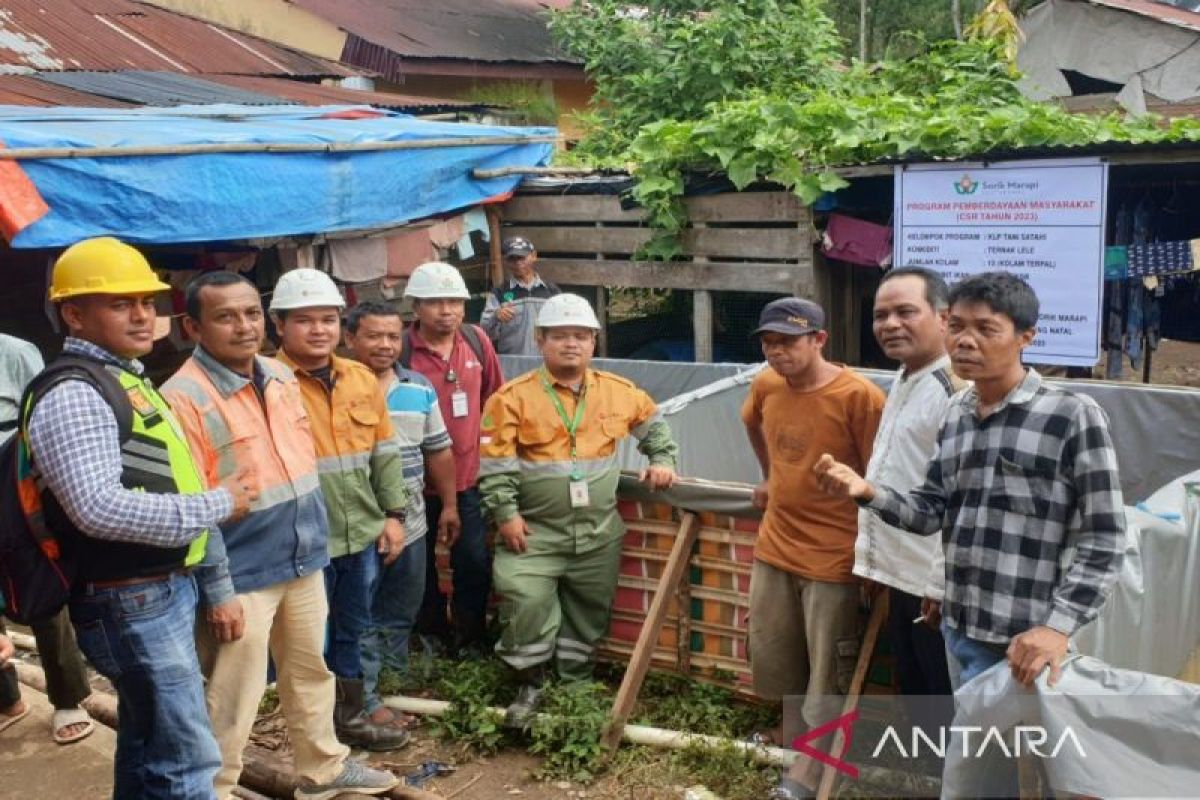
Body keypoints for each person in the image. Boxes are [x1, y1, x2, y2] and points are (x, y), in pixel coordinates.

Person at [25, 237, 258, 799]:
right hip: (129, 598)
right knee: (186, 759)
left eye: (146, 302)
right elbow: (96, 507)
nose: (141, 315)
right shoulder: (75, 392)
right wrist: (217, 504)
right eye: (118, 303)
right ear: (74, 314)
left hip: (152, 591)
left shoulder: (123, 377)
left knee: (147, 744)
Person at [815, 271, 1125, 692]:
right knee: (970, 751)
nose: (965, 340)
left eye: (985, 329)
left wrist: (1057, 628)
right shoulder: (958, 412)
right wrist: (867, 493)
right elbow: (932, 512)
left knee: (1023, 755)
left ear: (1025, 337)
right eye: (957, 326)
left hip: (1027, 646)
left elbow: (1105, 538)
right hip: (959, 631)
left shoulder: (1070, 415)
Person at [163, 272, 398, 799]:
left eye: (250, 313)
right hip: (242, 574)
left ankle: (323, 769)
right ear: (192, 326)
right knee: (233, 695)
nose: (242, 326)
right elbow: (191, 505)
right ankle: (215, 789)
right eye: (225, 316)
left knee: (310, 672)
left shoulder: (279, 377)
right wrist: (218, 590)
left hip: (302, 559)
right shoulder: (182, 399)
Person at [479, 293, 678, 726]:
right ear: (541, 339)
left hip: (598, 531)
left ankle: (574, 684)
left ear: (593, 342)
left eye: (581, 336)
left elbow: (655, 427)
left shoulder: (620, 393)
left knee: (590, 611)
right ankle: (529, 684)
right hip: (533, 532)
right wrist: (506, 514)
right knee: (524, 602)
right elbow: (495, 467)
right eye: (561, 336)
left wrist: (662, 461)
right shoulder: (510, 399)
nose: (572, 344)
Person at [740, 297, 885, 800]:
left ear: (819, 340)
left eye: (788, 342)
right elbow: (752, 424)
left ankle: (812, 767)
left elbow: (877, 477)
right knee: (775, 651)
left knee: (828, 667)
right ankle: (789, 737)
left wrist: (870, 555)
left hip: (833, 554)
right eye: (769, 342)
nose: (777, 352)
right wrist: (767, 478)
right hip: (776, 543)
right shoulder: (765, 384)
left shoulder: (859, 396)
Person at [270, 268, 411, 752]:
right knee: (307, 641)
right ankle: (312, 730)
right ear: (279, 326)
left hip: (362, 534)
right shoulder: (267, 383)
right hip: (304, 541)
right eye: (304, 320)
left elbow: (384, 453)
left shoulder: (360, 378)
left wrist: (394, 515)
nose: (318, 330)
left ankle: (349, 719)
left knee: (352, 628)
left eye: (328, 319)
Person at [343, 301, 460, 727]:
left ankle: (393, 681)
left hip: (410, 521)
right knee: (360, 614)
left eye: (393, 336)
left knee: (402, 607)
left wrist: (448, 504)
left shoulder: (419, 387)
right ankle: (367, 697)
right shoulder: (336, 387)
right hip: (358, 524)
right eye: (373, 336)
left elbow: (439, 451)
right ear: (350, 338)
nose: (385, 345)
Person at [854, 267, 959, 724]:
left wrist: (939, 584)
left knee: (944, 692)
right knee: (916, 689)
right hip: (902, 574)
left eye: (905, 312)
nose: (890, 324)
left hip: (935, 583)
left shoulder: (955, 390)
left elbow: (958, 501)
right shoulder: (905, 377)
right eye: (881, 315)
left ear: (943, 317)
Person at [402, 262, 504, 656]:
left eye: (454, 302)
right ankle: (431, 634)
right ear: (416, 308)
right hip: (414, 482)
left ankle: (471, 636)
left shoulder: (477, 341)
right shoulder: (403, 350)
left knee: (474, 561)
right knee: (419, 566)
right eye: (435, 303)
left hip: (469, 479)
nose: (446, 311)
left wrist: (491, 452)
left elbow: (494, 399)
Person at [0, 333, 95, 745]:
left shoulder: (15, 351)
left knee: (38, 581)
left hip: (13, 485)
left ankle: (67, 698)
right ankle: (7, 700)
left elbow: (41, 421)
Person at [480, 237, 561, 356]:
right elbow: (485, 332)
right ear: (505, 261)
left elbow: (564, 327)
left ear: (533, 256)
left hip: (546, 362)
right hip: (511, 363)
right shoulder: (499, 293)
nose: (517, 263)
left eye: (522, 257)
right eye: (512, 259)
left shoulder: (551, 292)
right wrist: (496, 316)